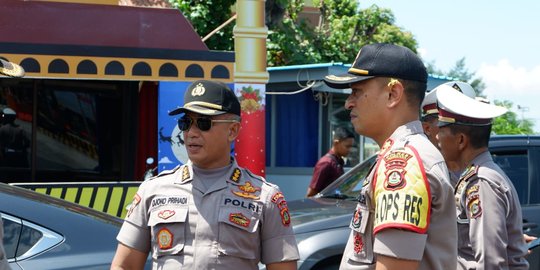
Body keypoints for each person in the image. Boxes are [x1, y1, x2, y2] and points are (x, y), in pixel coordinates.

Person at [111, 80, 299, 270]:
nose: (191, 132)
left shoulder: (265, 197)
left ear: (232, 130)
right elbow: (124, 266)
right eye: (186, 123)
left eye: (203, 123)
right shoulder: (153, 190)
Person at [324, 43, 457, 270]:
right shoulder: (404, 153)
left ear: (393, 94)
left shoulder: (404, 163)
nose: (348, 103)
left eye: (356, 91)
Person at [435, 86, 529, 269]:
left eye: (442, 130)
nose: (437, 137)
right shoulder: (478, 176)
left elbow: (491, 262)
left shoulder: (482, 183)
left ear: (461, 140)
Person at [306, 127, 355, 197]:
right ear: (336, 143)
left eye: (351, 147)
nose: (349, 150)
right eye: (347, 146)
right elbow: (310, 194)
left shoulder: (337, 162)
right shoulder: (326, 163)